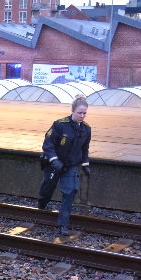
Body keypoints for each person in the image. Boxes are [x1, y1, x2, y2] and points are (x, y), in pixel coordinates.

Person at [37, 95, 92, 236]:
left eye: (84, 113)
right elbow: (47, 145)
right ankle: (42, 202)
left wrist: (85, 164)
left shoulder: (86, 129)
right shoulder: (60, 125)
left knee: (71, 191)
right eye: (79, 113)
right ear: (72, 111)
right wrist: (55, 160)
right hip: (54, 164)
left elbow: (84, 149)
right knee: (48, 188)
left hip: (70, 165)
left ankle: (63, 225)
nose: (82, 116)